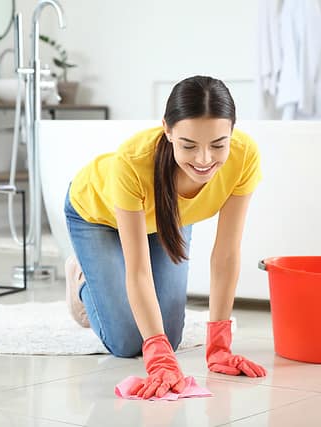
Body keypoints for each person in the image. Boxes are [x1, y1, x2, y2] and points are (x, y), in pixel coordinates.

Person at [63, 75, 267, 399]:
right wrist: (155, 356)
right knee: (130, 343)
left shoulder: (244, 157)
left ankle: (106, 284)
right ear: (167, 130)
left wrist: (219, 345)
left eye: (218, 144)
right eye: (188, 145)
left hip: (166, 219)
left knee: (168, 338)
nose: (203, 160)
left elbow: (226, 254)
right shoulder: (132, 162)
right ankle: (83, 280)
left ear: (232, 131)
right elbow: (138, 269)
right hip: (96, 215)